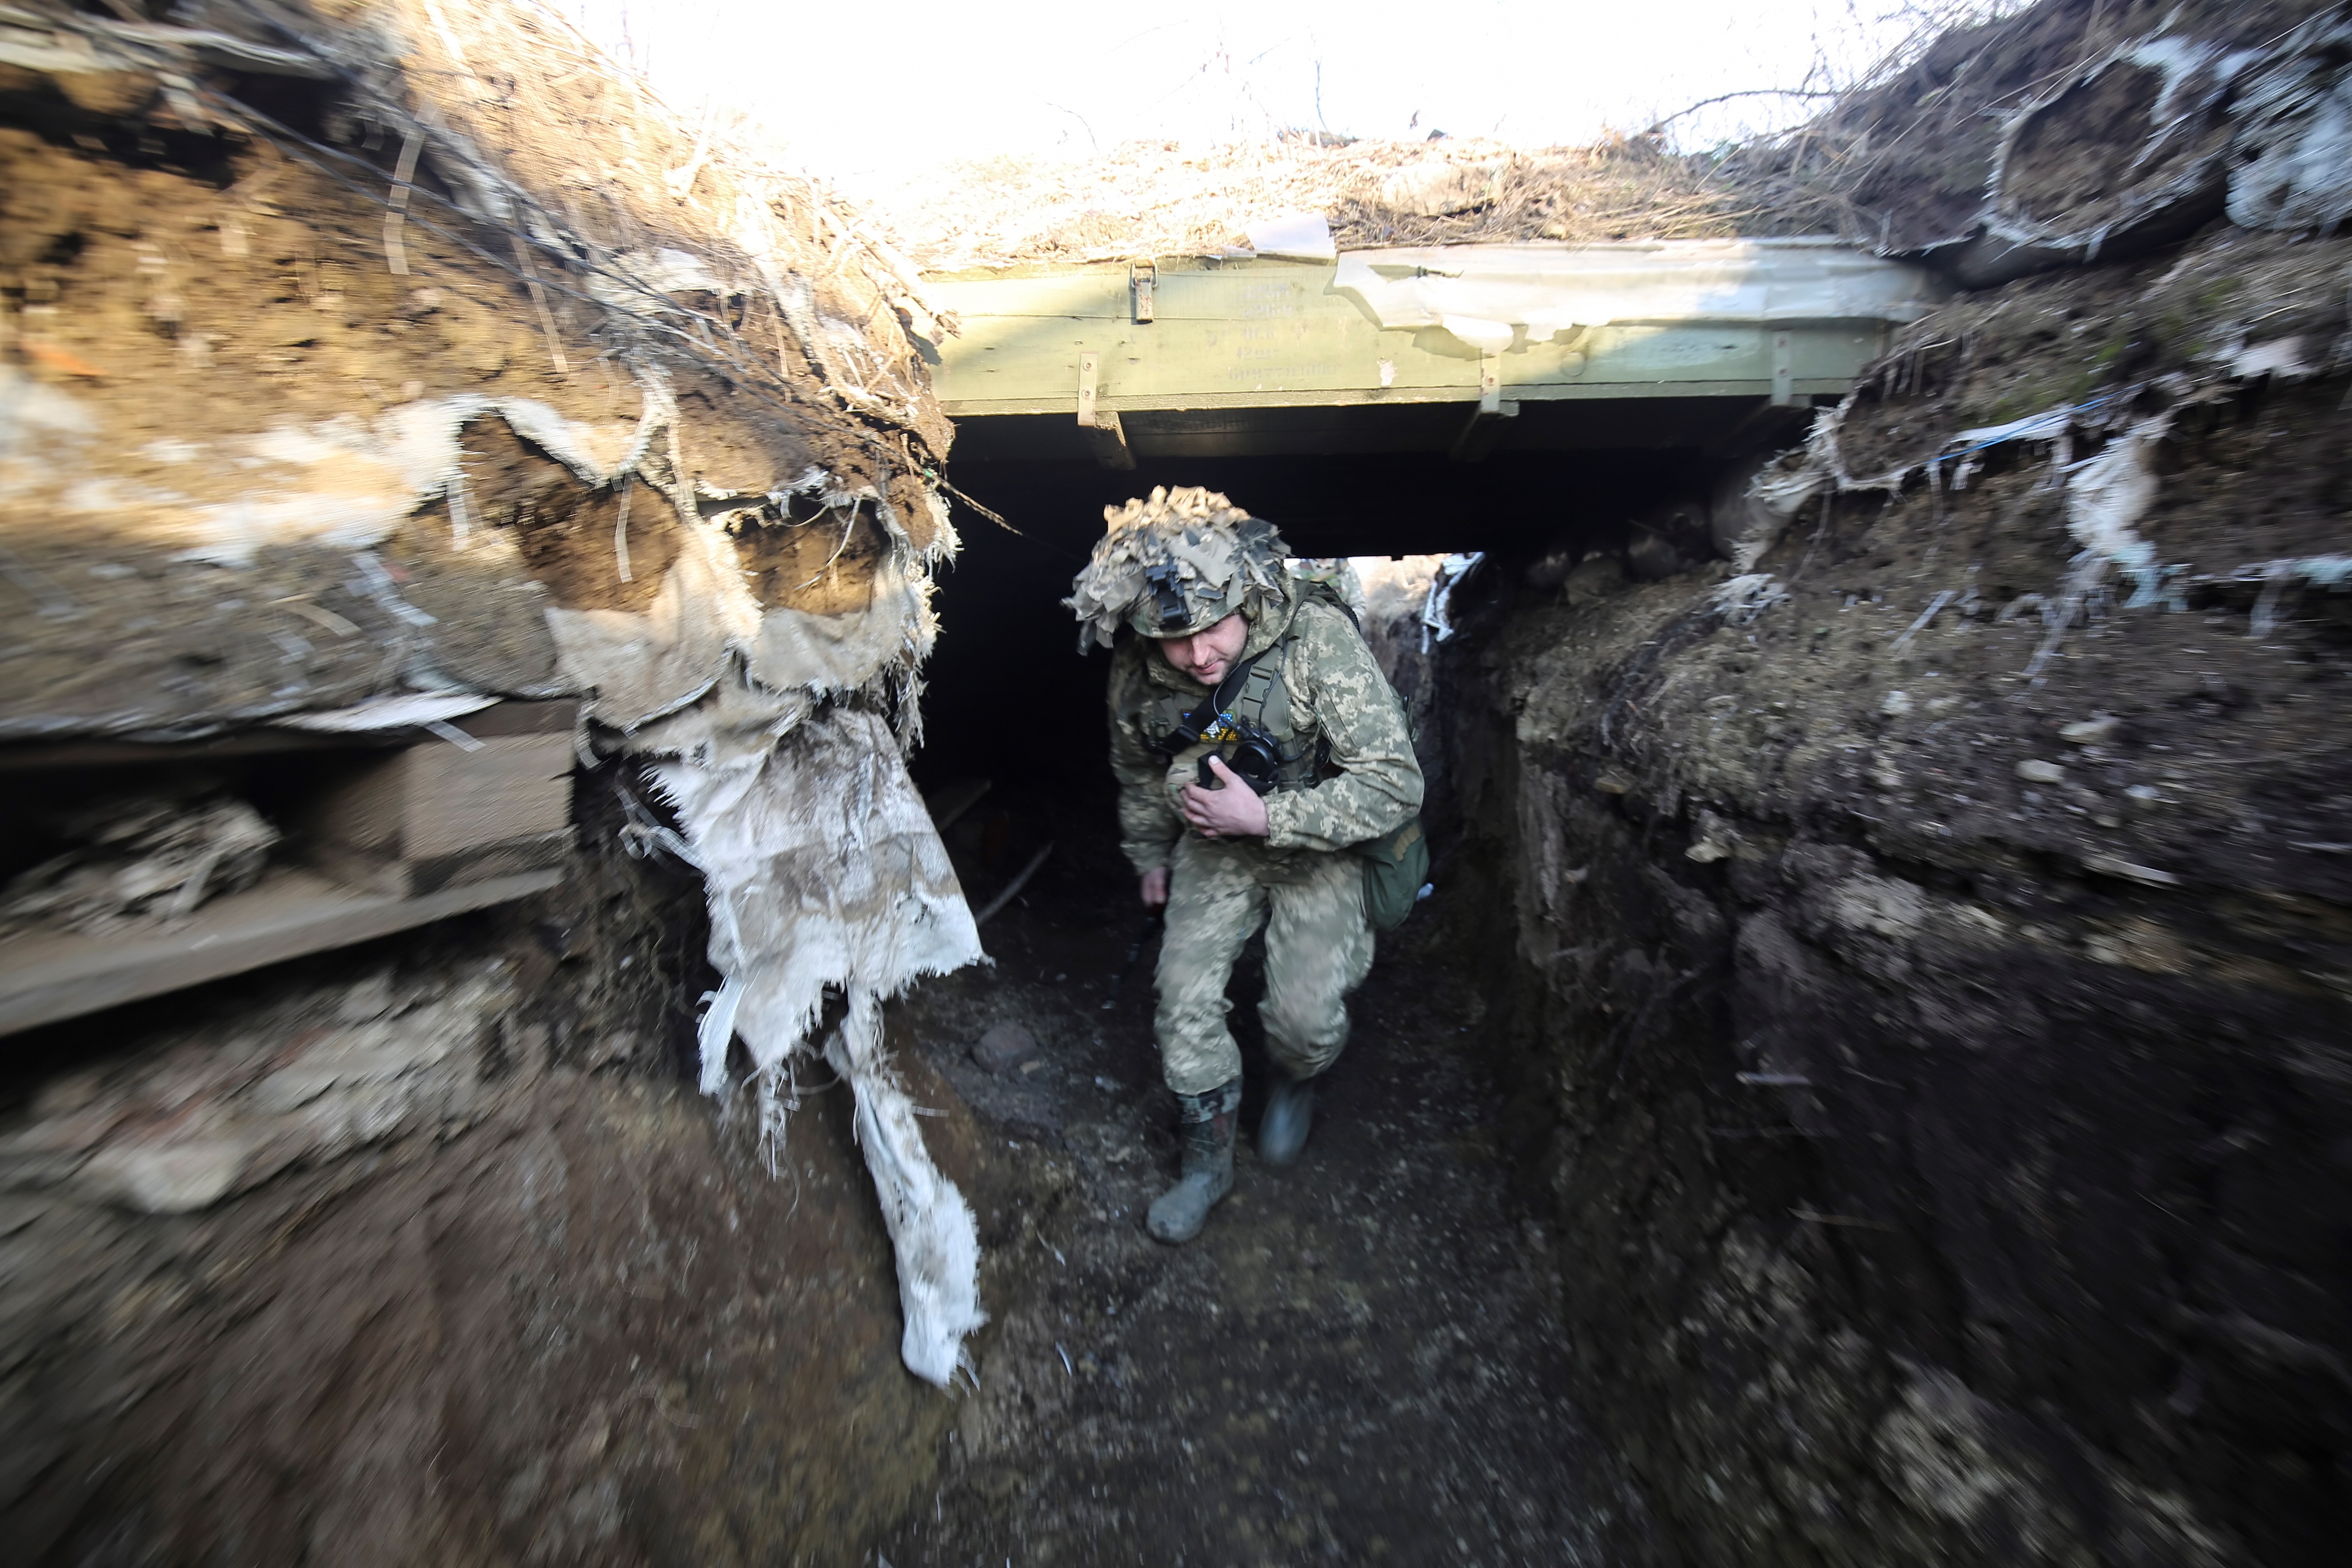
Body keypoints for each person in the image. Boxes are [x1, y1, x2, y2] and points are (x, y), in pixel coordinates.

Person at [1065, 487, 1423, 1244]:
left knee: (1305, 1019)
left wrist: (1270, 817)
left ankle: (1295, 1080)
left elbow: (1394, 783)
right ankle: (1205, 1166)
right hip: (1214, 846)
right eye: (1175, 640)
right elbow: (1135, 765)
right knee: (1181, 1001)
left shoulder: (1314, 640)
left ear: (1245, 597)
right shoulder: (1139, 668)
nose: (1198, 656)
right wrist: (1150, 852)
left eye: (1212, 630)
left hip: (1321, 844)